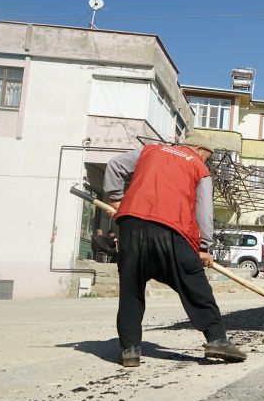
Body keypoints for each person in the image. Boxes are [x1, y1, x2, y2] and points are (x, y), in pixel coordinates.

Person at [103, 132, 247, 367]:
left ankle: (129, 350)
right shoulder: (199, 168)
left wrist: (116, 199)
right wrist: (203, 247)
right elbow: (204, 211)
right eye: (207, 157)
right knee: (194, 285)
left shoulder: (149, 151)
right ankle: (217, 339)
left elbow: (115, 165)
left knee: (131, 289)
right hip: (172, 230)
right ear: (199, 150)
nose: (206, 162)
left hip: (131, 226)